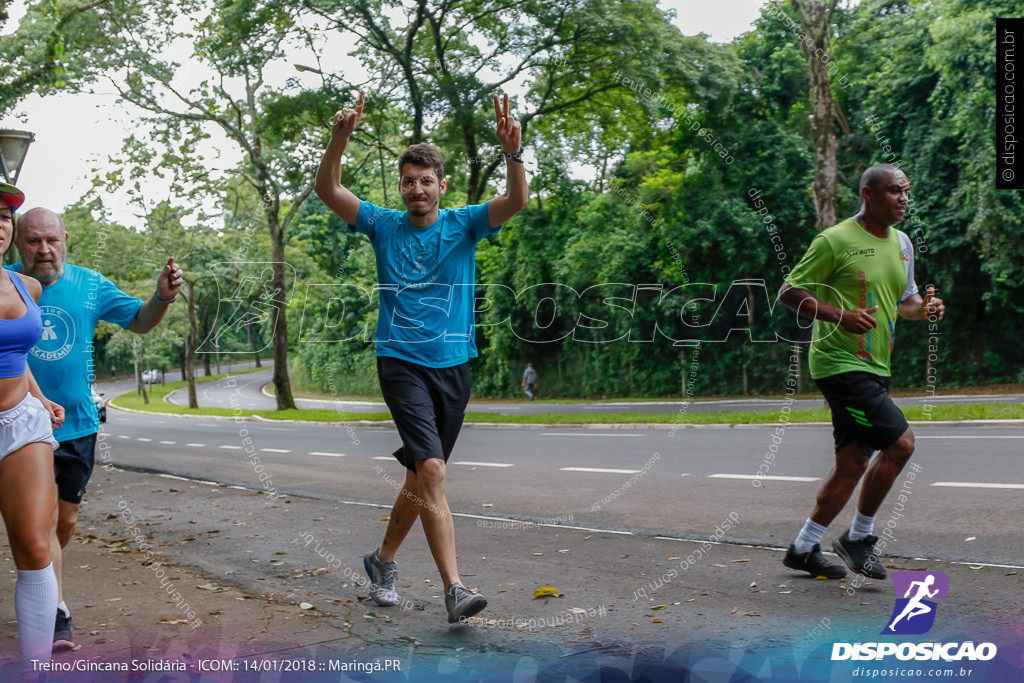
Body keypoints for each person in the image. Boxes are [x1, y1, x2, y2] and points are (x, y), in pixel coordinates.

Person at [315, 92, 527, 623]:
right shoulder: (384, 225)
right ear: (401, 185)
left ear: (441, 185)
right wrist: (339, 139)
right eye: (408, 180)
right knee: (432, 467)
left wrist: (513, 155)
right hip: (401, 362)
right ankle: (454, 588)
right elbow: (328, 189)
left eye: (426, 180)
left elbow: (516, 201)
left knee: (420, 478)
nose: (416, 189)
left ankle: (381, 560)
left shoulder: (466, 223)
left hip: (454, 365)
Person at [9, 206, 184, 649]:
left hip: (78, 424)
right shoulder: (8, 283)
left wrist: (161, 297)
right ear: (18, 243)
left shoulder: (90, 285)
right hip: (26, 424)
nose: (44, 250)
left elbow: (139, 322)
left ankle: (42, 578)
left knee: (64, 520)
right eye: (33, 241)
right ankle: (56, 611)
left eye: (52, 240)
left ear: (66, 238)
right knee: (44, 521)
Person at [778, 164, 945, 580]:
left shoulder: (903, 244)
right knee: (901, 444)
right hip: (839, 363)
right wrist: (839, 316)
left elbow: (904, 302)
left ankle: (802, 548)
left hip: (875, 364)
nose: (904, 198)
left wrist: (923, 310)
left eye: (906, 191)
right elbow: (789, 292)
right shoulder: (834, 241)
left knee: (853, 464)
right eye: (894, 191)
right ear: (868, 194)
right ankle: (858, 537)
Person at [0, 182, 65, 669]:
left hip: (21, 422)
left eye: (4, 218)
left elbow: (18, 356)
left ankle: (36, 668)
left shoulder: (27, 285)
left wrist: (42, 399)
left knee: (36, 543)